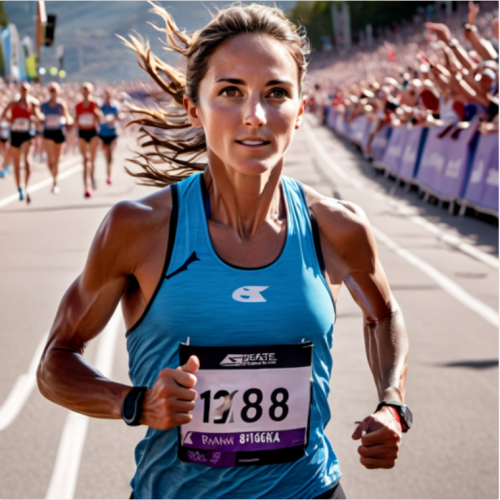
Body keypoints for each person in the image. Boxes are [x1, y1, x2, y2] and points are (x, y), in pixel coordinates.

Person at [37, 5, 410, 499]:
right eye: (230, 92)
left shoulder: (337, 227)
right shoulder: (139, 228)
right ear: (195, 109)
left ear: (300, 111)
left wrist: (393, 404)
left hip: (310, 489)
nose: (254, 116)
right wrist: (135, 403)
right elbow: (55, 363)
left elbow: (383, 315)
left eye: (276, 93)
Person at [0, 82, 43, 203]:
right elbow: (4, 115)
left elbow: (38, 117)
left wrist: (34, 118)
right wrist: (12, 120)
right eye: (22, 89)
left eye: (26, 89)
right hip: (15, 134)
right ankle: (19, 188)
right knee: (17, 163)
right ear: (19, 90)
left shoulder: (33, 103)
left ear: (29, 90)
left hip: (27, 134)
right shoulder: (13, 103)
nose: (24, 91)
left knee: (28, 162)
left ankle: (26, 186)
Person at [41, 82, 73, 194]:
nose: (53, 92)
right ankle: (53, 176)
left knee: (56, 161)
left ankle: (55, 182)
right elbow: (39, 117)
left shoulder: (61, 105)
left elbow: (68, 118)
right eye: (51, 90)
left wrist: (68, 120)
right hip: (48, 132)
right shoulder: (44, 105)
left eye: (54, 90)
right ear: (49, 92)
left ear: (58, 92)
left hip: (59, 132)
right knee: (50, 160)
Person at [75, 82, 101, 197]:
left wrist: (96, 113)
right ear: (81, 92)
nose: (85, 92)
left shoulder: (94, 104)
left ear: (90, 91)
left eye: (87, 90)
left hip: (92, 132)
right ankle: (86, 186)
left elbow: (100, 117)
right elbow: (75, 120)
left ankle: (92, 177)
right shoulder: (78, 106)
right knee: (85, 160)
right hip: (82, 132)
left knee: (92, 159)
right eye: (83, 89)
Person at [98, 89, 122, 185]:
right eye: (106, 96)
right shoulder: (101, 107)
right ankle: (108, 172)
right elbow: (98, 118)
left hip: (113, 134)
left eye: (109, 96)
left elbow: (119, 117)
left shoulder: (115, 107)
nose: (107, 97)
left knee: (110, 154)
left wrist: (116, 118)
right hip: (103, 134)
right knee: (106, 155)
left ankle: (109, 175)